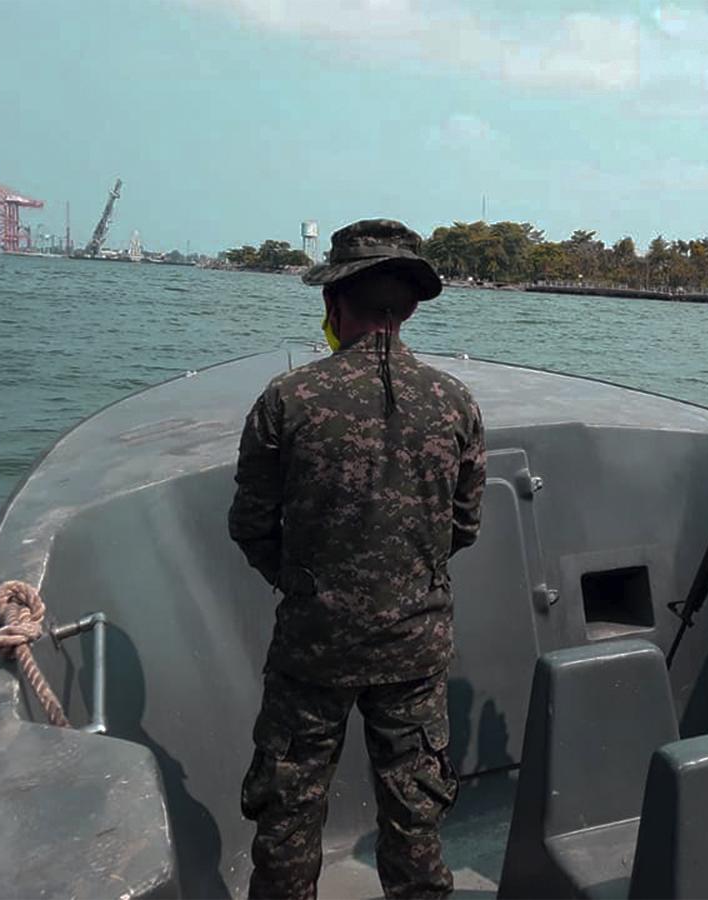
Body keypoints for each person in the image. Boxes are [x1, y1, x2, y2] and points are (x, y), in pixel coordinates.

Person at [228, 219, 488, 900]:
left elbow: (251, 525)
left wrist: (305, 583)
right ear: (405, 310)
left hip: (314, 645)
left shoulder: (288, 401)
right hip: (415, 644)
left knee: (288, 820)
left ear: (334, 305)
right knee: (416, 817)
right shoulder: (456, 402)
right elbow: (464, 524)